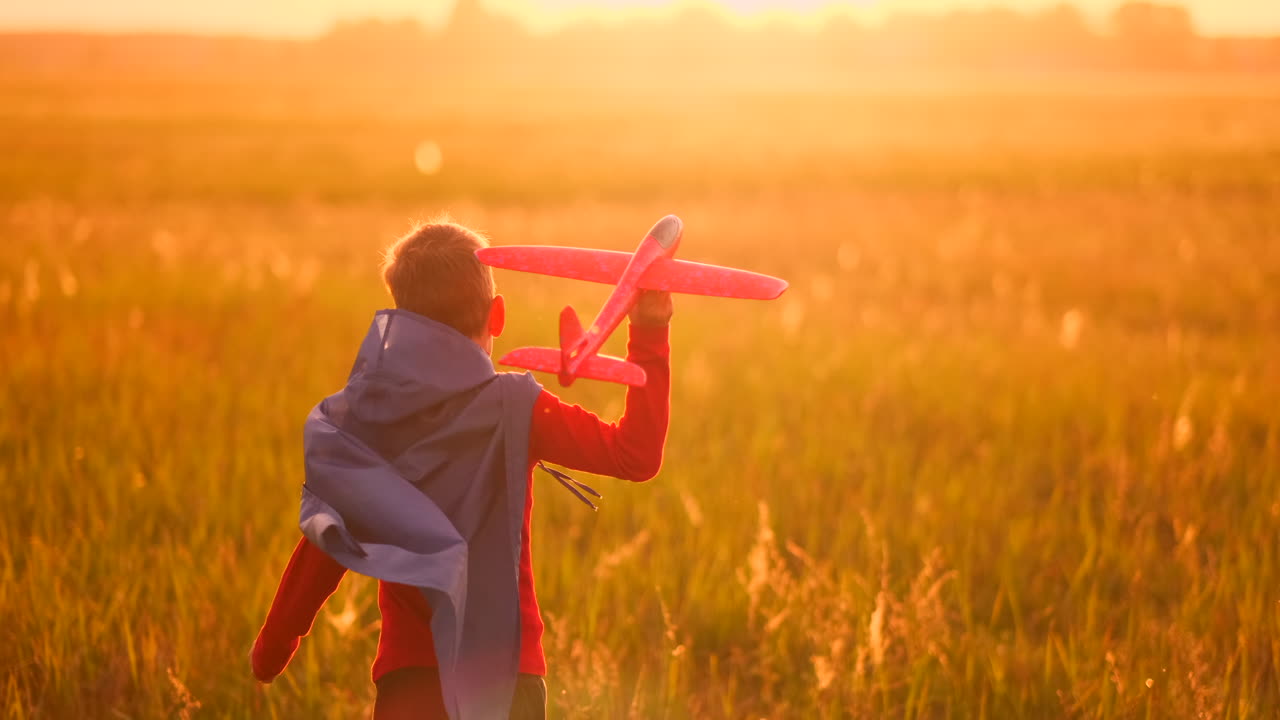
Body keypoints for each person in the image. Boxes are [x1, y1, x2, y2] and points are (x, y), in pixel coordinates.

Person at [250, 219, 671, 720]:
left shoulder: (372, 417)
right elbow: (635, 454)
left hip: (412, 684)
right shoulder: (518, 407)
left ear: (400, 317)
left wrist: (272, 648)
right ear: (497, 315)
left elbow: (324, 542)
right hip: (506, 680)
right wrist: (649, 327)